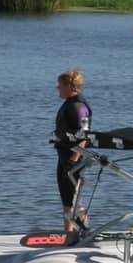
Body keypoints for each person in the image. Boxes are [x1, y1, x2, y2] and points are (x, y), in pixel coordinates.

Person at [52, 69, 93, 234]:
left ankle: (85, 230)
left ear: (69, 86)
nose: (58, 88)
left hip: (73, 159)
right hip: (64, 156)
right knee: (67, 198)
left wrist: (74, 159)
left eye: (60, 85)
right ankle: (68, 232)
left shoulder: (78, 106)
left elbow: (85, 135)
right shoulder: (69, 103)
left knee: (74, 197)